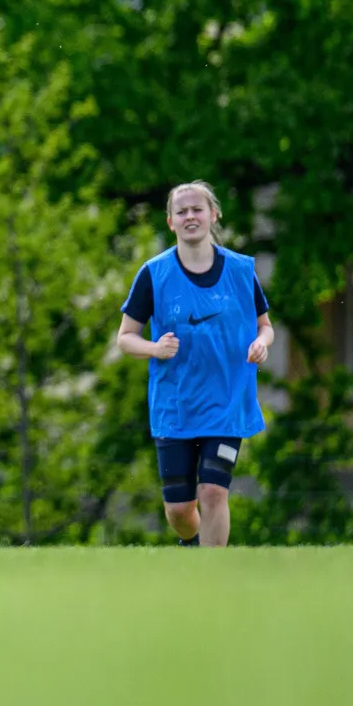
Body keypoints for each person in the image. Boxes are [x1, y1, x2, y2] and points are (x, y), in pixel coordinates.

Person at [115, 181, 272, 548]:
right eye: (181, 211)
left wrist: (261, 344)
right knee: (180, 512)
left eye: (197, 209)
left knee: (214, 492)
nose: (190, 216)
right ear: (170, 221)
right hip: (176, 405)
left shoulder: (239, 270)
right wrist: (154, 348)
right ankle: (194, 542)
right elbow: (125, 337)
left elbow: (265, 326)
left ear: (213, 215)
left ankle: (212, 579)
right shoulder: (154, 274)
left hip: (226, 401)